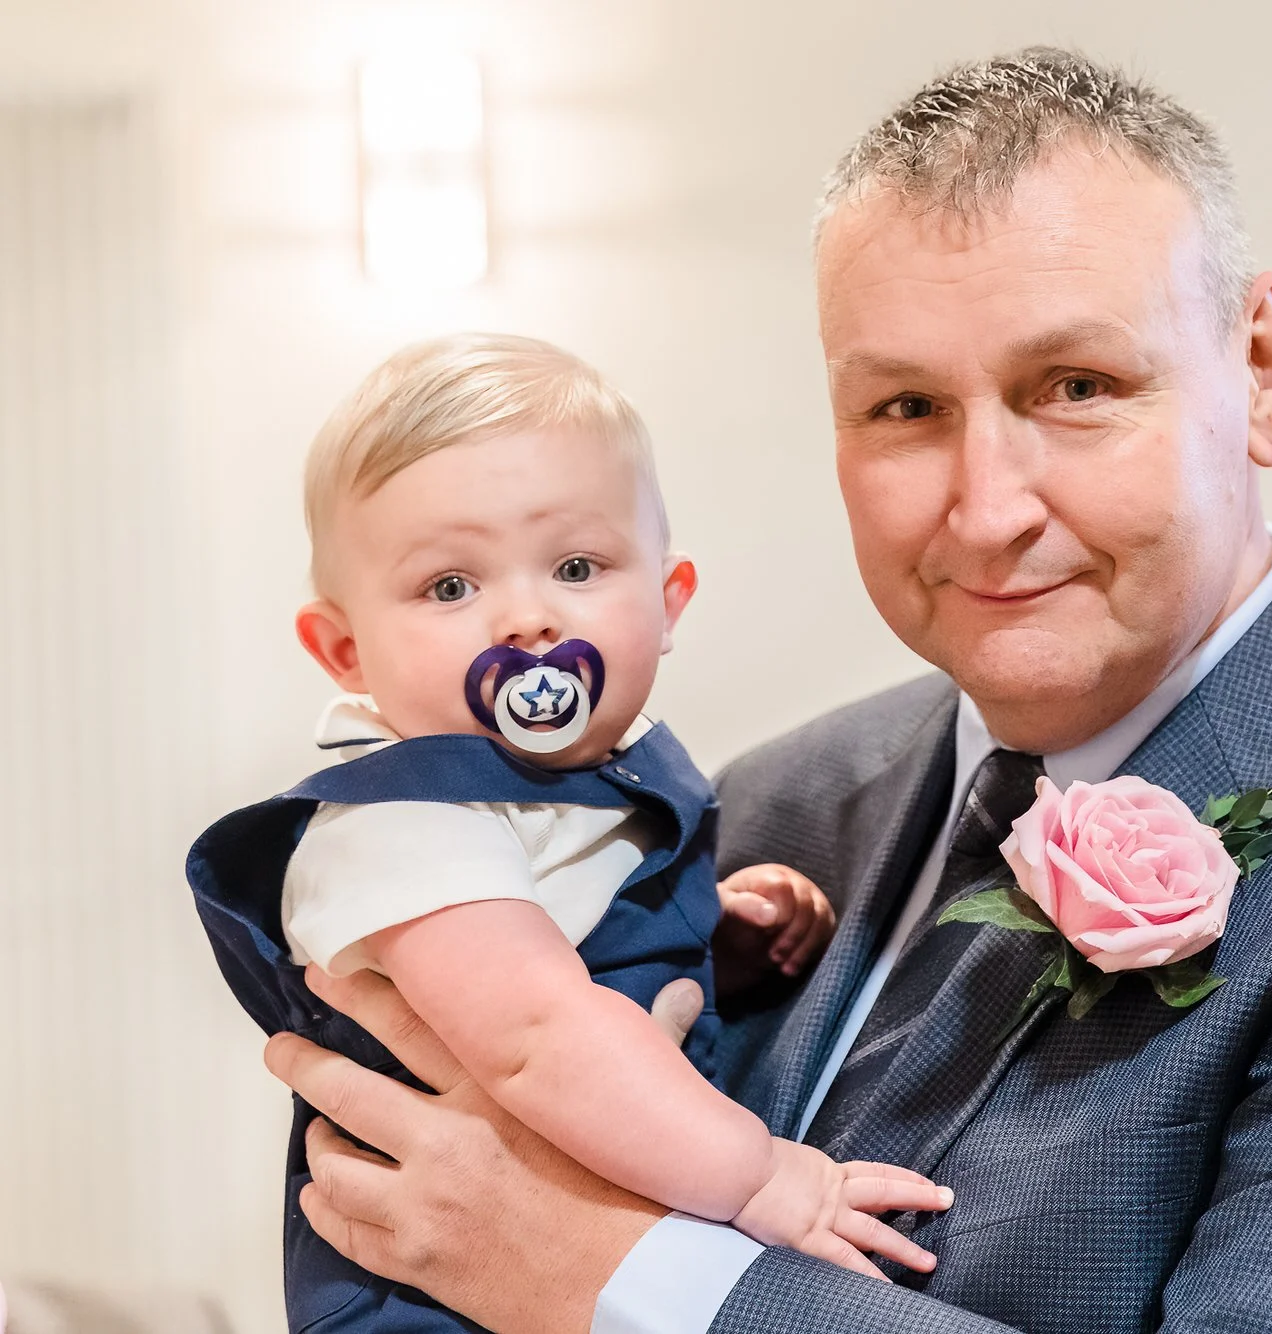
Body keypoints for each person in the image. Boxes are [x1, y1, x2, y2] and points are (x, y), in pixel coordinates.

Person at [261, 49, 1272, 1332]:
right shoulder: (776, 805)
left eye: (1076, 384)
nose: (988, 504)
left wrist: (610, 1274)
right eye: (906, 410)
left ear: (1257, 368)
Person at [187, 335, 949, 1331]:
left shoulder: (591, 792)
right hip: (430, 1300)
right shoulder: (401, 819)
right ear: (344, 649)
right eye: (450, 585)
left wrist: (712, 941)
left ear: (667, 602)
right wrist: (763, 1174)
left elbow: (576, 959)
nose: (528, 616)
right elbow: (537, 1036)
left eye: (576, 565)